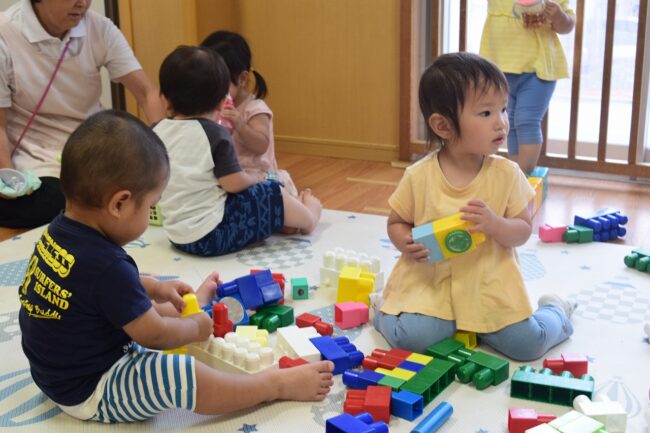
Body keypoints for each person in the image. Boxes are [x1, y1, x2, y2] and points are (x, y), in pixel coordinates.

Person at [18, 109, 334, 423]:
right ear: (120, 204)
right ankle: (272, 385)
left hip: (54, 374)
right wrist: (195, 329)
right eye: (151, 206)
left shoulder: (58, 232)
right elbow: (154, 336)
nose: (152, 214)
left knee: (142, 299)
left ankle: (193, 306)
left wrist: (152, 287)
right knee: (181, 373)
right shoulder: (108, 267)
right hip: (93, 388)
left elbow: (92, 287)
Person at [372, 52, 576, 362]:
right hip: (433, 283)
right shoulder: (419, 175)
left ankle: (555, 309)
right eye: (486, 113)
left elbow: (523, 230)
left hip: (489, 283)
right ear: (443, 125)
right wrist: (406, 242)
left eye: (504, 109)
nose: (501, 122)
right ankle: (381, 309)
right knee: (414, 340)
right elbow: (397, 222)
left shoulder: (507, 174)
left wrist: (496, 224)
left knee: (527, 345)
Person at [0, 0, 166, 229]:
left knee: (140, 183)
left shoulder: (100, 28)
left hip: (92, 150)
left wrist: (166, 152)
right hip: (36, 159)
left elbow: (147, 93)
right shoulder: (6, 33)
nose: (83, 3)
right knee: (60, 201)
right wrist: (9, 181)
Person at [154, 46, 321, 257]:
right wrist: (255, 177)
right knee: (270, 190)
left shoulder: (155, 132)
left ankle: (283, 220)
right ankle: (309, 217)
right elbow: (233, 184)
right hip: (213, 237)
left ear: (165, 100)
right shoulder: (214, 134)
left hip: (176, 236)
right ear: (222, 102)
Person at [480, 0, 575, 174]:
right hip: (501, 68)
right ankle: (517, 172)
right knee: (511, 122)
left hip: (538, 69)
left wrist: (559, 16)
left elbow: (567, 25)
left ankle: (522, 174)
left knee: (527, 120)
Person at [201, 30, 298, 196]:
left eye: (220, 85)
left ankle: (304, 205)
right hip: (229, 176)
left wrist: (240, 124)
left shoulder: (254, 109)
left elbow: (261, 145)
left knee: (273, 195)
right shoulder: (212, 107)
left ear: (242, 79)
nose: (213, 92)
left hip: (258, 176)